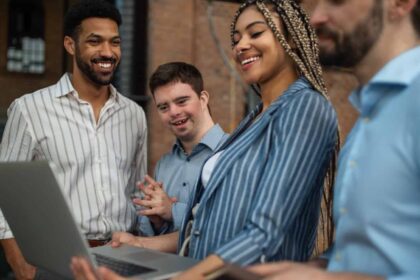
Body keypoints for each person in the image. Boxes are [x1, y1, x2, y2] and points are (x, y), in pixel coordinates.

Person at [71, 0, 339, 278]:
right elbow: (205, 227)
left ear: (292, 40)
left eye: (256, 33)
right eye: (236, 39)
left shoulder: (305, 107)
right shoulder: (254, 118)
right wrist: (142, 244)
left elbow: (265, 232)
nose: (241, 46)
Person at [249, 0, 420, 279]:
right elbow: (373, 254)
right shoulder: (368, 120)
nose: (315, 17)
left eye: (337, 1)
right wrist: (314, 269)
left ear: (400, 4)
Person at [0, 0, 147, 279]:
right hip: (56, 262)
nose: (107, 52)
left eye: (114, 42)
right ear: (70, 45)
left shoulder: (134, 115)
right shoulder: (29, 109)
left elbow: (136, 192)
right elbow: (3, 191)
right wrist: (19, 263)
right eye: (95, 41)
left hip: (122, 258)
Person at [136, 62, 228, 236]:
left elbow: (227, 223)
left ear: (203, 99)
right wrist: (156, 220)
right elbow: (149, 234)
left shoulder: (233, 152)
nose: (173, 112)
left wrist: (173, 211)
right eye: (164, 107)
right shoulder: (164, 164)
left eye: (181, 101)